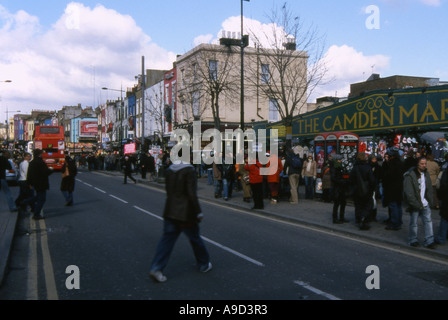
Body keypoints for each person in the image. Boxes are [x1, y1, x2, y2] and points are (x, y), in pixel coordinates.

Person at [149, 153, 212, 283]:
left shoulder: (169, 170)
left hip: (170, 210)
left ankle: (156, 268)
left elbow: (169, 191)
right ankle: (204, 263)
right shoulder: (189, 170)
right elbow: (191, 193)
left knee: (167, 241)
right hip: (185, 213)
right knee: (195, 239)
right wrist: (198, 212)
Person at [403, 157, 437, 249]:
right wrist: (415, 204)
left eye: (425, 163)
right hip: (416, 204)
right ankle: (413, 240)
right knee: (414, 223)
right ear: (417, 164)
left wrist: (430, 201)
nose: (424, 165)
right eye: (422, 164)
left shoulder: (426, 174)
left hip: (425, 203)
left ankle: (429, 241)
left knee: (428, 222)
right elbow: (409, 192)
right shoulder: (410, 175)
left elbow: (429, 188)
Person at [350, 152, 376, 230]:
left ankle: (358, 219)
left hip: (356, 190)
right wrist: (373, 188)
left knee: (358, 206)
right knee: (368, 205)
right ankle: (364, 219)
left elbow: (351, 180)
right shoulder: (367, 167)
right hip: (367, 190)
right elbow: (372, 180)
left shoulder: (354, 168)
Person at [25, 149, 54, 220]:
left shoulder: (32, 163)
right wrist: (51, 170)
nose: (42, 154)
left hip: (35, 183)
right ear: (39, 154)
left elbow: (29, 174)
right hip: (42, 183)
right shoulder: (41, 162)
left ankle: (25, 202)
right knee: (42, 199)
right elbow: (45, 172)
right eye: (41, 153)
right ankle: (36, 214)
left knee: (38, 197)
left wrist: (29, 183)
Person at [382, 148, 404, 231]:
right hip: (399, 187)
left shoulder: (391, 164)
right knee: (398, 205)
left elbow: (388, 176)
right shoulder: (400, 162)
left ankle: (394, 223)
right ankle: (398, 221)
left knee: (393, 205)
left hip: (392, 188)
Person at [331, 154, 348, 224]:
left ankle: (342, 217)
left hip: (342, 188)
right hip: (337, 188)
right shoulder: (334, 168)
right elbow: (333, 178)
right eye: (339, 160)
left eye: (341, 160)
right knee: (336, 204)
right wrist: (342, 181)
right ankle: (335, 218)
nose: (340, 161)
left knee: (343, 203)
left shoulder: (340, 167)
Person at [435, 165, 448, 244]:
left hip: (446, 197)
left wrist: (440, 197)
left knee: (445, 218)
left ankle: (441, 238)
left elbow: (443, 184)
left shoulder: (446, 171)